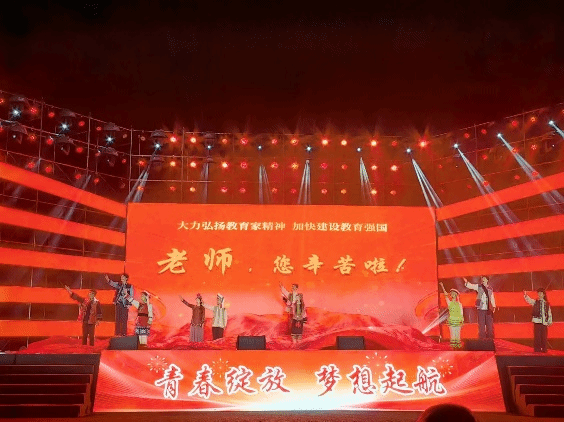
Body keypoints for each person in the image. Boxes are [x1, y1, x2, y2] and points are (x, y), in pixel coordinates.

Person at [524, 288, 552, 353]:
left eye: (540, 293)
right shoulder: (535, 302)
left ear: (543, 294)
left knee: (544, 337)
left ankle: (544, 349)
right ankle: (537, 349)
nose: (539, 294)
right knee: (537, 336)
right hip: (537, 321)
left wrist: (549, 321)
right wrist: (526, 295)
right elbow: (529, 300)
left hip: (544, 322)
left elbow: (549, 313)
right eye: (538, 293)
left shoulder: (546, 304)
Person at [440, 282, 464, 349]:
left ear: (456, 295)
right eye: (452, 293)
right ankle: (453, 348)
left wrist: (462, 321)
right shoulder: (449, 303)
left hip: (458, 320)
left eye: (454, 293)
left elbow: (461, 313)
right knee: (452, 334)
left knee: (458, 334)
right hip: (452, 320)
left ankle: (458, 348)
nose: (453, 295)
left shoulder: (459, 304)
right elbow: (445, 295)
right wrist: (442, 286)